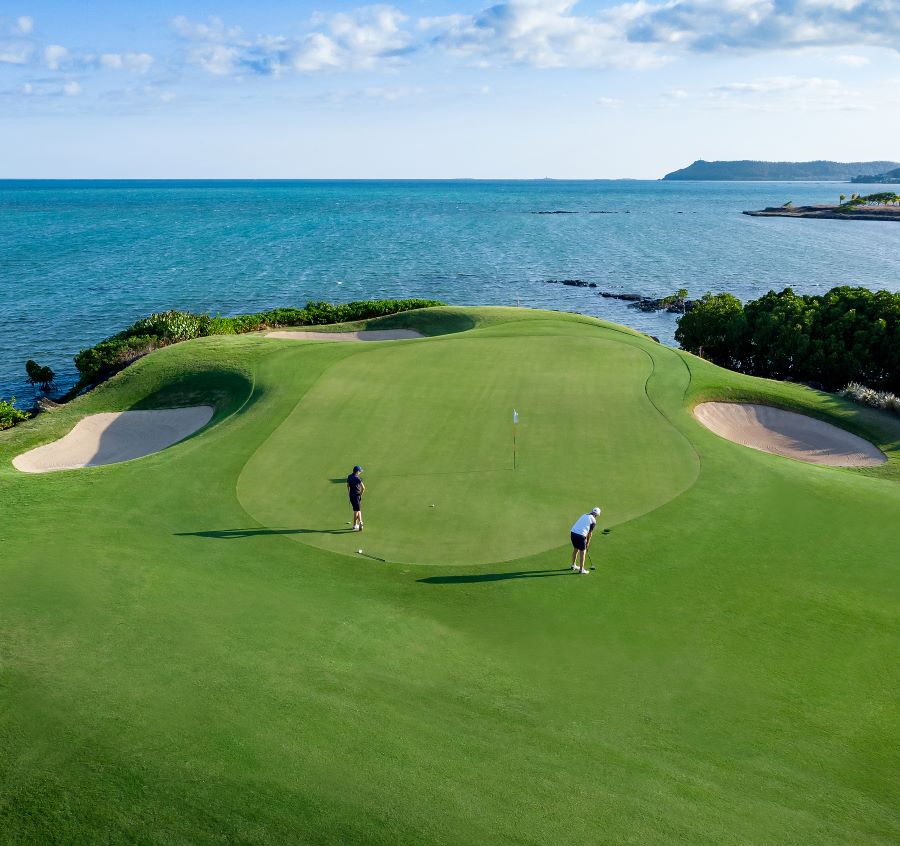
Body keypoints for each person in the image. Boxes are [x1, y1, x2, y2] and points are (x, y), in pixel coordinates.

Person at [570, 507, 601, 574]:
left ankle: (573, 565)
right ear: (597, 515)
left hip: (573, 533)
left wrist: (586, 541)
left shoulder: (584, 515)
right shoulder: (593, 521)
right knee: (583, 552)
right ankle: (581, 570)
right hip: (580, 535)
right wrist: (587, 544)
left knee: (576, 548)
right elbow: (590, 533)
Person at [347, 465, 366, 531]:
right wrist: (360, 494)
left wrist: (349, 493)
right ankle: (355, 525)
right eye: (360, 471)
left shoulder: (349, 476)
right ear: (357, 472)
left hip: (351, 495)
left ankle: (360, 522)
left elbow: (348, 485)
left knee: (358, 510)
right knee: (356, 511)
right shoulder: (358, 478)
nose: (360, 472)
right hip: (356, 496)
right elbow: (363, 488)